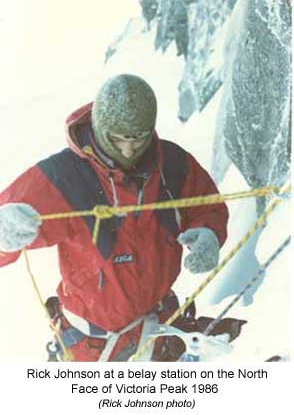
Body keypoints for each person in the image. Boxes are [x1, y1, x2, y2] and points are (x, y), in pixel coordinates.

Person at [0, 74, 229, 361]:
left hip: (161, 326)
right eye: (118, 140)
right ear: (99, 127)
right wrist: (4, 239)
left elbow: (209, 207)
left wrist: (208, 233)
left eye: (139, 139)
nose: (128, 150)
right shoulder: (63, 176)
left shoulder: (172, 164)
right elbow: (5, 223)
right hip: (90, 344)